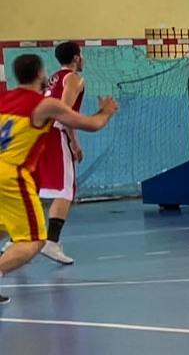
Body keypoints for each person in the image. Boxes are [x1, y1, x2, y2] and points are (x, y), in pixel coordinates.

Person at [0, 54, 117, 304]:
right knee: (34, 241)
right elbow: (91, 124)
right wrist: (106, 111)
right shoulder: (45, 105)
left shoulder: (3, 99)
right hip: (11, 175)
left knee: (3, 228)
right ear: (40, 73)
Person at [37, 41, 86, 264]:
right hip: (55, 133)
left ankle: (17, 239)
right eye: (81, 55)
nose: (83, 59)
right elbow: (64, 112)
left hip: (39, 133)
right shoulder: (73, 78)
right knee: (66, 189)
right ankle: (51, 243)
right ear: (76, 58)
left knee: (38, 187)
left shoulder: (53, 78)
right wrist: (74, 143)